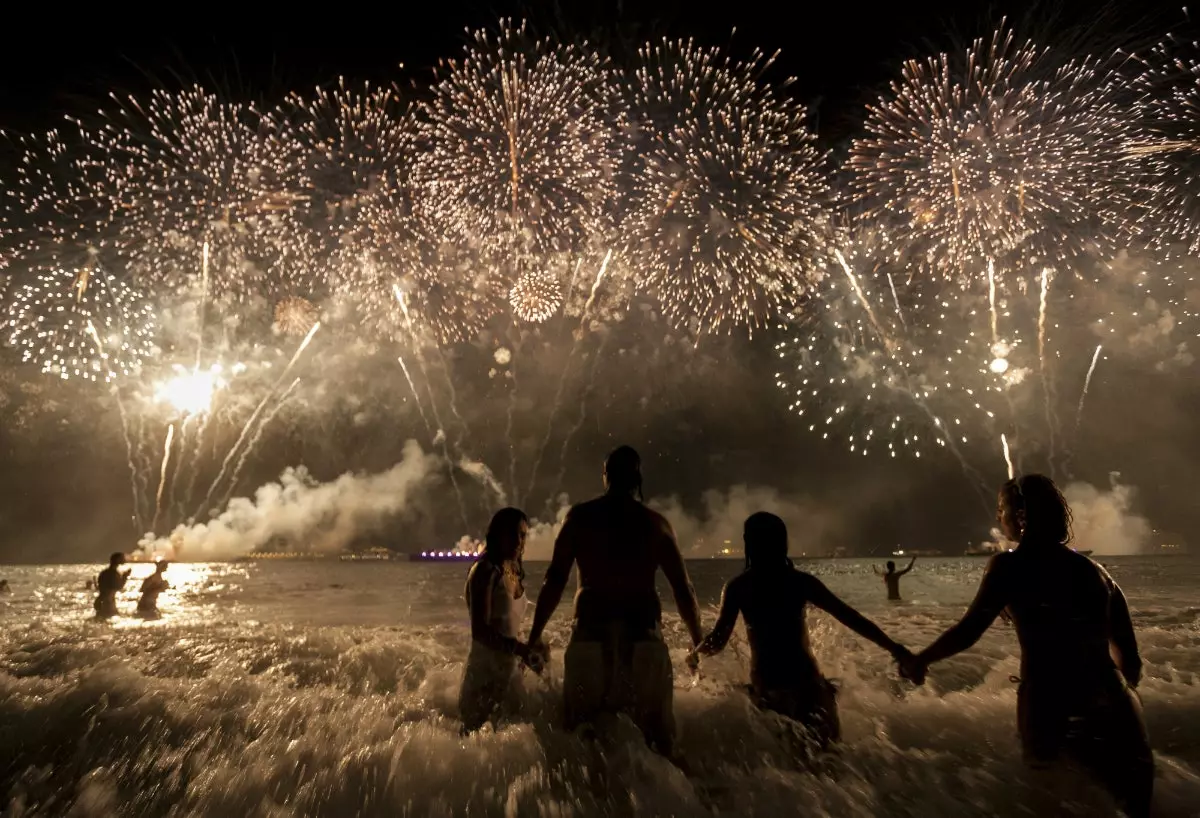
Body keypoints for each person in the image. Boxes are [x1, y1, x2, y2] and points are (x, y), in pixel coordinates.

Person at [899, 474, 1153, 818]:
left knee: (1050, 804)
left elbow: (969, 631)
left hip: (1051, 702)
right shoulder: (1098, 573)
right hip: (1116, 703)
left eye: (1001, 509)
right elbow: (1132, 663)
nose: (997, 517)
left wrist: (922, 659)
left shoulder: (1009, 565)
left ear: (1021, 515)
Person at [526, 445, 703, 756]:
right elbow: (683, 589)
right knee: (657, 741)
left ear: (605, 476)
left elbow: (555, 580)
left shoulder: (580, 518)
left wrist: (534, 635)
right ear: (638, 478)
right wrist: (697, 643)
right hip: (643, 640)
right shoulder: (655, 524)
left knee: (581, 739)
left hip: (591, 638)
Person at [692, 512, 912, 750]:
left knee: (786, 770)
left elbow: (717, 642)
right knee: (831, 766)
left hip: (770, 692)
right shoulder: (800, 582)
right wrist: (894, 647)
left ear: (749, 542)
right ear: (783, 542)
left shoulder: (739, 586)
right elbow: (850, 617)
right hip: (810, 687)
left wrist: (694, 655)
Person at [460, 507, 537, 733]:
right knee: (476, 751)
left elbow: (509, 625)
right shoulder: (484, 570)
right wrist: (519, 649)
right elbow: (480, 631)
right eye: (513, 533)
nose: (518, 541)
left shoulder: (510, 570)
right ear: (498, 534)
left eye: (523, 535)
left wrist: (527, 651)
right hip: (484, 676)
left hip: (508, 674)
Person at [94, 553, 129, 619]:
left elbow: (101, 587)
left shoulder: (105, 572)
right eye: (122, 558)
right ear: (117, 560)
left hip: (102, 601)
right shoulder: (113, 573)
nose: (124, 559)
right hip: (107, 603)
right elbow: (119, 587)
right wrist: (125, 577)